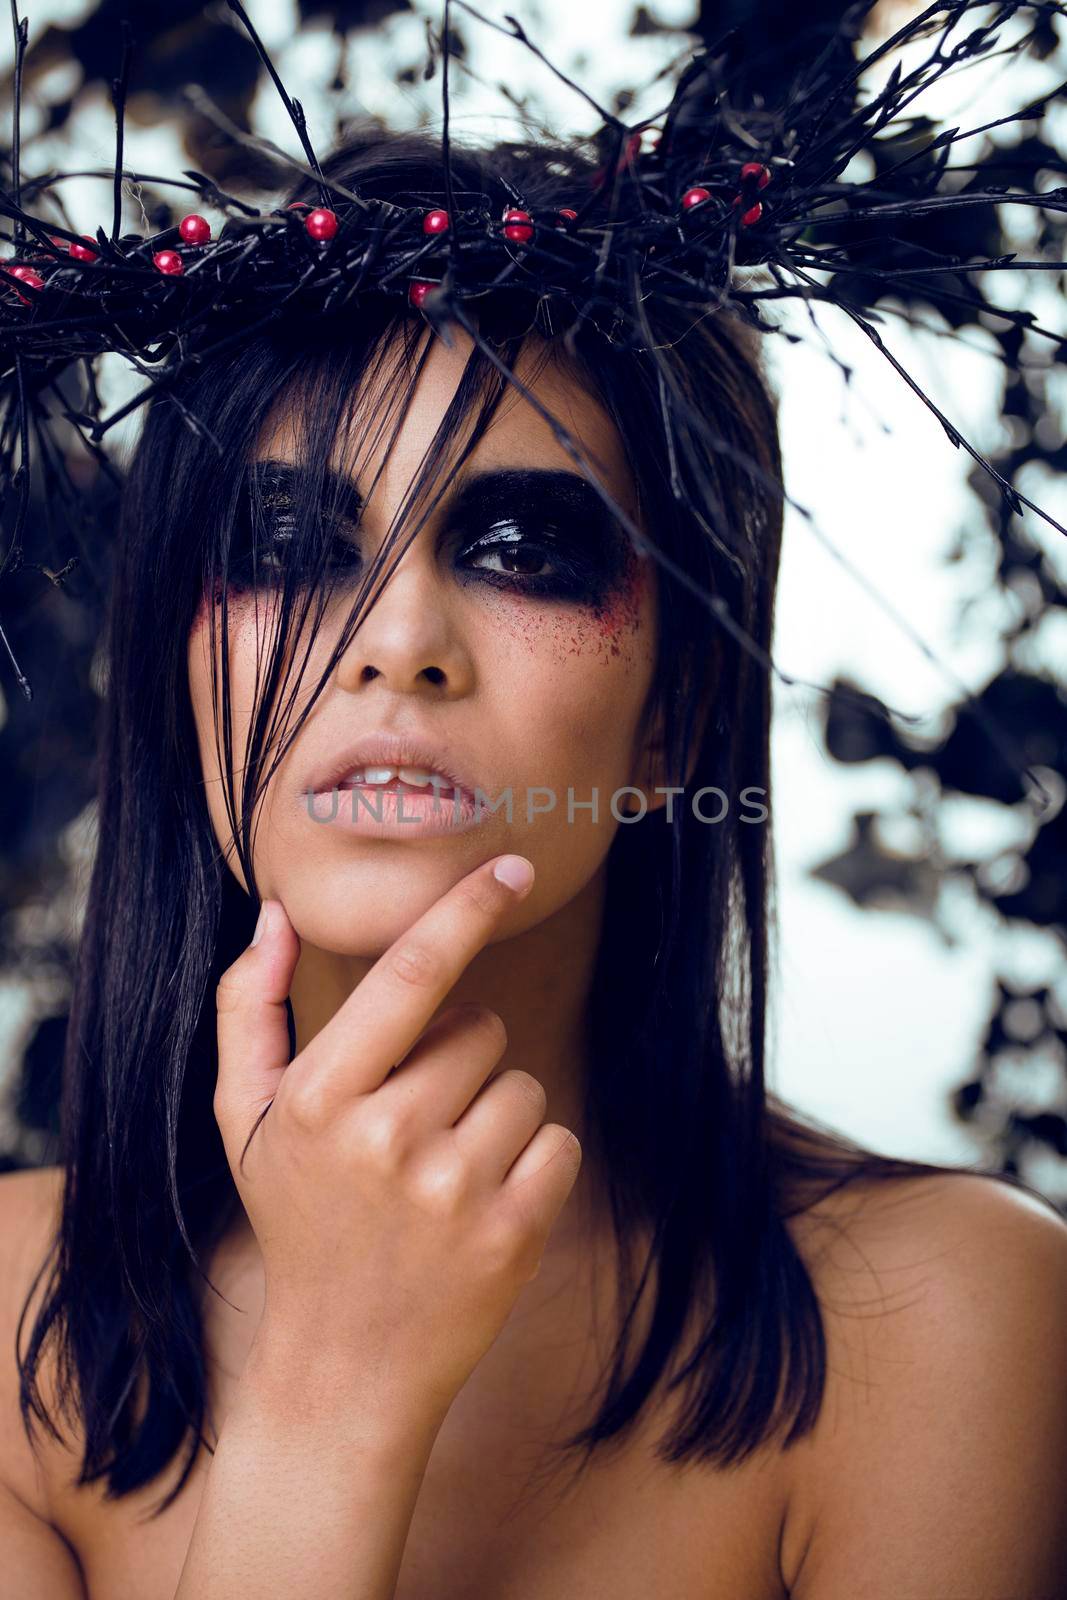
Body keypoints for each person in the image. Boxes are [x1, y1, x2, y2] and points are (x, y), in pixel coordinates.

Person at [1, 123, 1066, 1600]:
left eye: (518, 547)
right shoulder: (4, 1320)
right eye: (293, 539)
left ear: (674, 722)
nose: (392, 644)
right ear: (180, 664)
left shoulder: (952, 1315)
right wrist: (329, 1400)